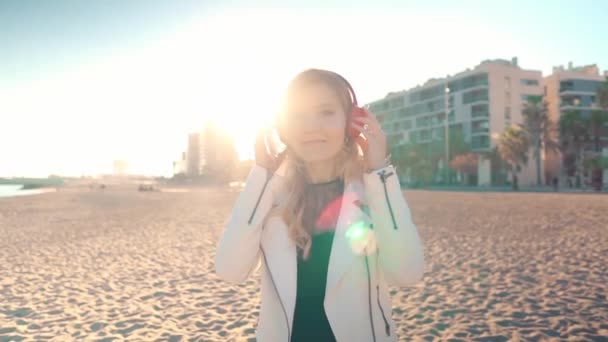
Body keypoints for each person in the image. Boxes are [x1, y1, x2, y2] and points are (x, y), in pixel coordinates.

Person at [215, 69, 425, 342]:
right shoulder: (270, 195)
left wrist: (380, 172)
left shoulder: (374, 192)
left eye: (326, 112)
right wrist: (262, 174)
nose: (310, 126)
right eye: (297, 115)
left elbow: (407, 273)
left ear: (351, 121)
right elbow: (230, 270)